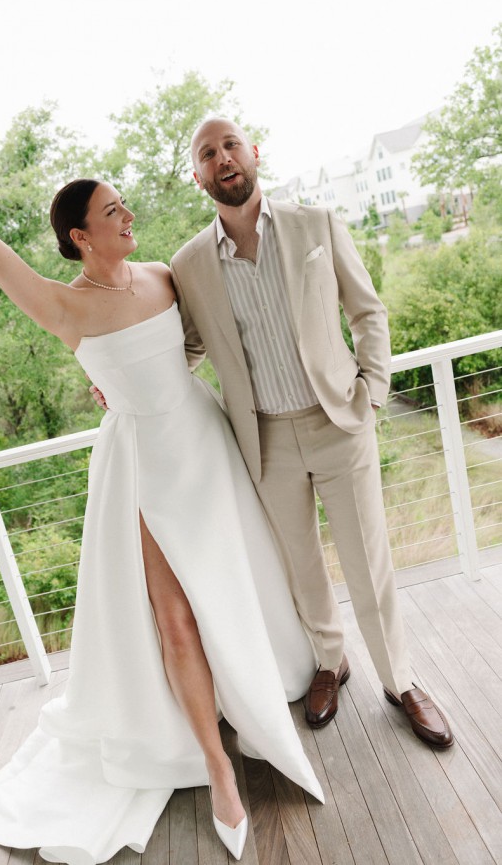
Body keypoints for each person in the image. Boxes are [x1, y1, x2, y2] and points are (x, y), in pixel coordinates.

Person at [0, 111, 325, 865]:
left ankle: (255, 696)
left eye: (123, 205)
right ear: (80, 235)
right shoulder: (61, 306)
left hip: (206, 448)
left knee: (234, 585)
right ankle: (217, 768)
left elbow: (214, 337)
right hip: (143, 466)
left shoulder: (165, 275)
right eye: (112, 210)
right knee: (174, 620)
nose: (127, 214)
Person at [166, 116, 453, 749]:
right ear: (198, 176)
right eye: (208, 153)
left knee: (368, 564)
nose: (223, 158)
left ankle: (401, 681)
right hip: (263, 442)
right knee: (300, 569)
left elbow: (367, 311)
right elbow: (187, 348)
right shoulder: (188, 265)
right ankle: (330, 661)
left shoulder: (315, 224)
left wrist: (373, 391)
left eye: (231, 145)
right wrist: (129, 381)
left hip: (339, 423)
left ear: (253, 152)